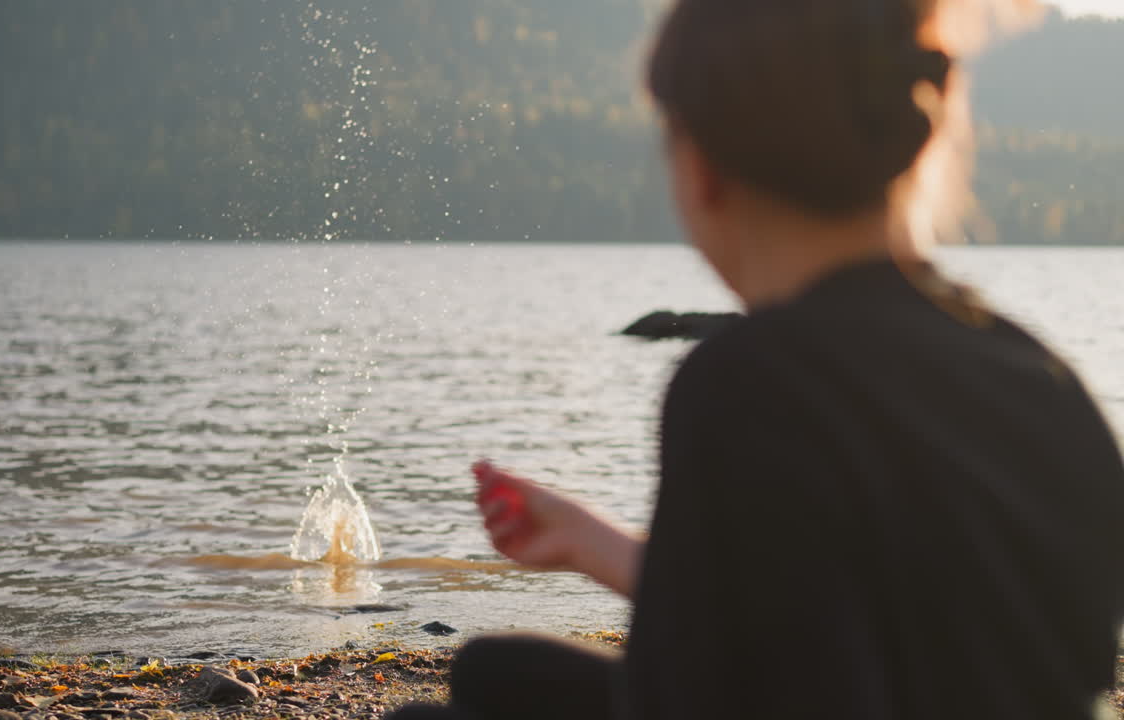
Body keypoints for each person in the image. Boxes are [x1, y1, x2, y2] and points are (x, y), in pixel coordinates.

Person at [389, 0, 1124, 718]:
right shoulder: (1039, 377)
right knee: (497, 670)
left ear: (702, 168)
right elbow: (892, 617)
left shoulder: (747, 384)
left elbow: (690, 689)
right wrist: (593, 544)